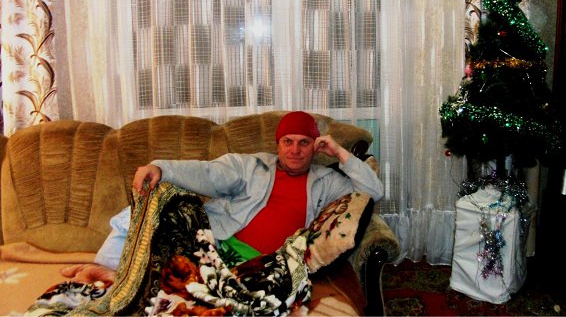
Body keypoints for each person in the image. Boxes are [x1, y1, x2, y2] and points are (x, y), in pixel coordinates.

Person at [101, 111, 383, 266]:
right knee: (154, 207)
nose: (295, 150)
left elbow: (372, 192)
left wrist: (340, 153)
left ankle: (128, 275)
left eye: (304, 142)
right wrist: (161, 168)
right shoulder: (252, 166)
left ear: (315, 146)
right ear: (277, 145)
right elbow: (209, 174)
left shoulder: (326, 181)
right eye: (287, 141)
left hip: (261, 266)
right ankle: (108, 268)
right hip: (217, 243)